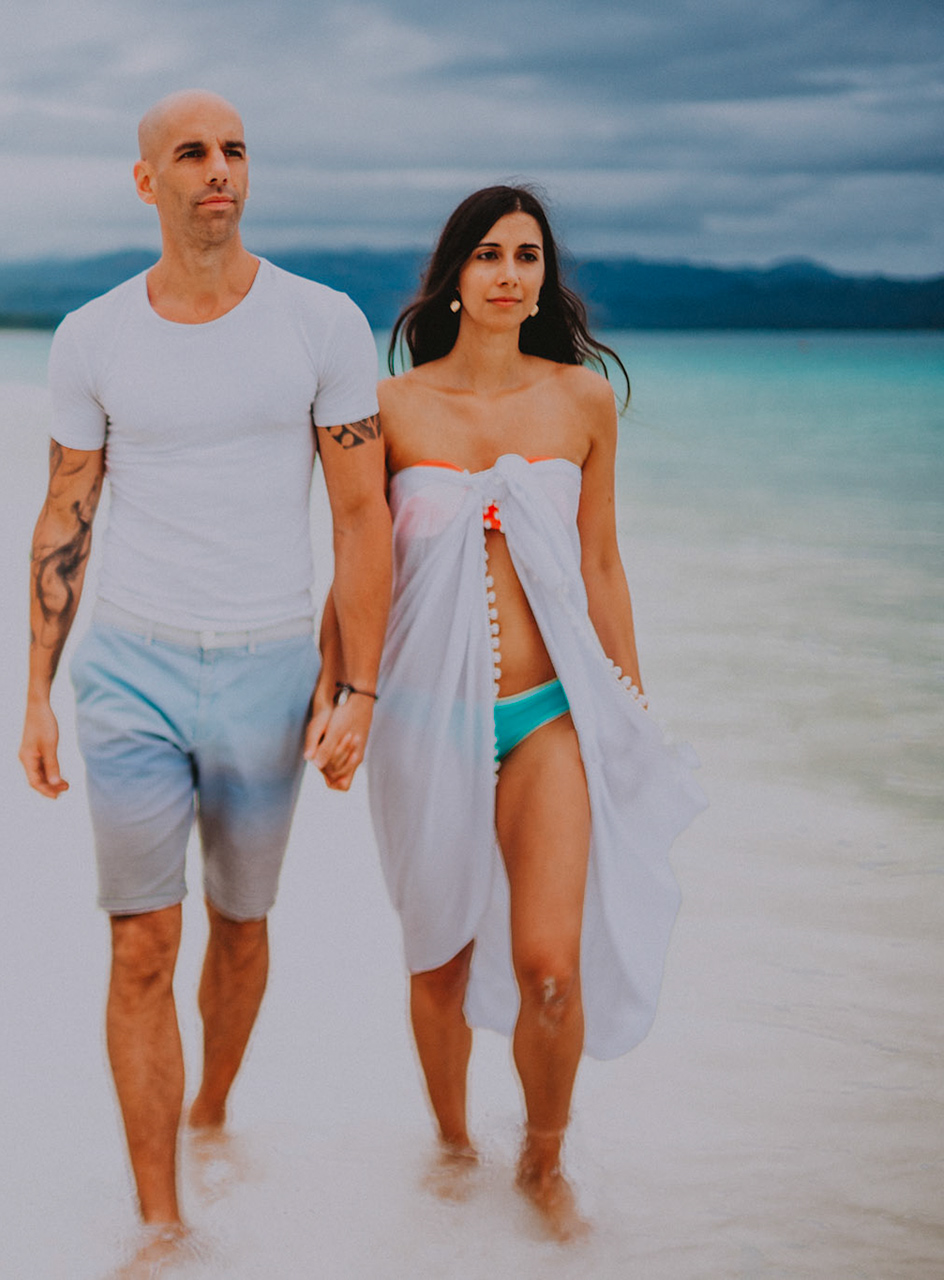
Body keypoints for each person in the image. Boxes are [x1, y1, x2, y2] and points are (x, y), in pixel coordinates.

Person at [17, 89, 393, 1247]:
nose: (218, 169)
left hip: (273, 665)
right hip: (128, 664)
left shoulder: (321, 322)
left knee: (240, 919)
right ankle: (162, 1220)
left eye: (235, 149)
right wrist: (36, 687)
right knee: (142, 937)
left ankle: (214, 1110)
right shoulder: (93, 335)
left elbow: (364, 516)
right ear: (148, 182)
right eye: (192, 152)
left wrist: (358, 687)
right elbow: (65, 512)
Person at [317, 184, 706, 1239]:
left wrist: (630, 707)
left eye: (527, 256)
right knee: (437, 961)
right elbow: (358, 560)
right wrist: (335, 697)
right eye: (487, 255)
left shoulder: (581, 400)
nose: (509, 274)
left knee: (549, 966)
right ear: (453, 276)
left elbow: (602, 561)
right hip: (420, 721)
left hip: (550, 717)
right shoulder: (391, 408)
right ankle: (449, 1144)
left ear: (546, 276)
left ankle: (543, 1158)